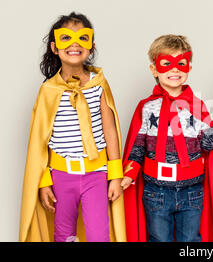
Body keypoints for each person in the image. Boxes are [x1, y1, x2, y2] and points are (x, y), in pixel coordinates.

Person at [20, 12, 126, 242]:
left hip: (95, 175)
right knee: (63, 234)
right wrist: (44, 181)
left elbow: (110, 132)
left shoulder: (99, 85)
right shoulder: (49, 91)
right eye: (67, 38)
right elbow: (41, 141)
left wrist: (116, 175)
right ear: (55, 47)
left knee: (99, 235)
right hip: (60, 175)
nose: (75, 44)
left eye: (83, 38)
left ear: (91, 46)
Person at [121, 34, 213, 242]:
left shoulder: (196, 105)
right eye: (167, 64)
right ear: (154, 69)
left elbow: (208, 144)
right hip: (156, 191)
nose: (175, 69)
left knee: (191, 241)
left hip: (191, 190)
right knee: (158, 239)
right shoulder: (146, 107)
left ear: (189, 68)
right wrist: (129, 174)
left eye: (181, 64)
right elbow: (137, 146)